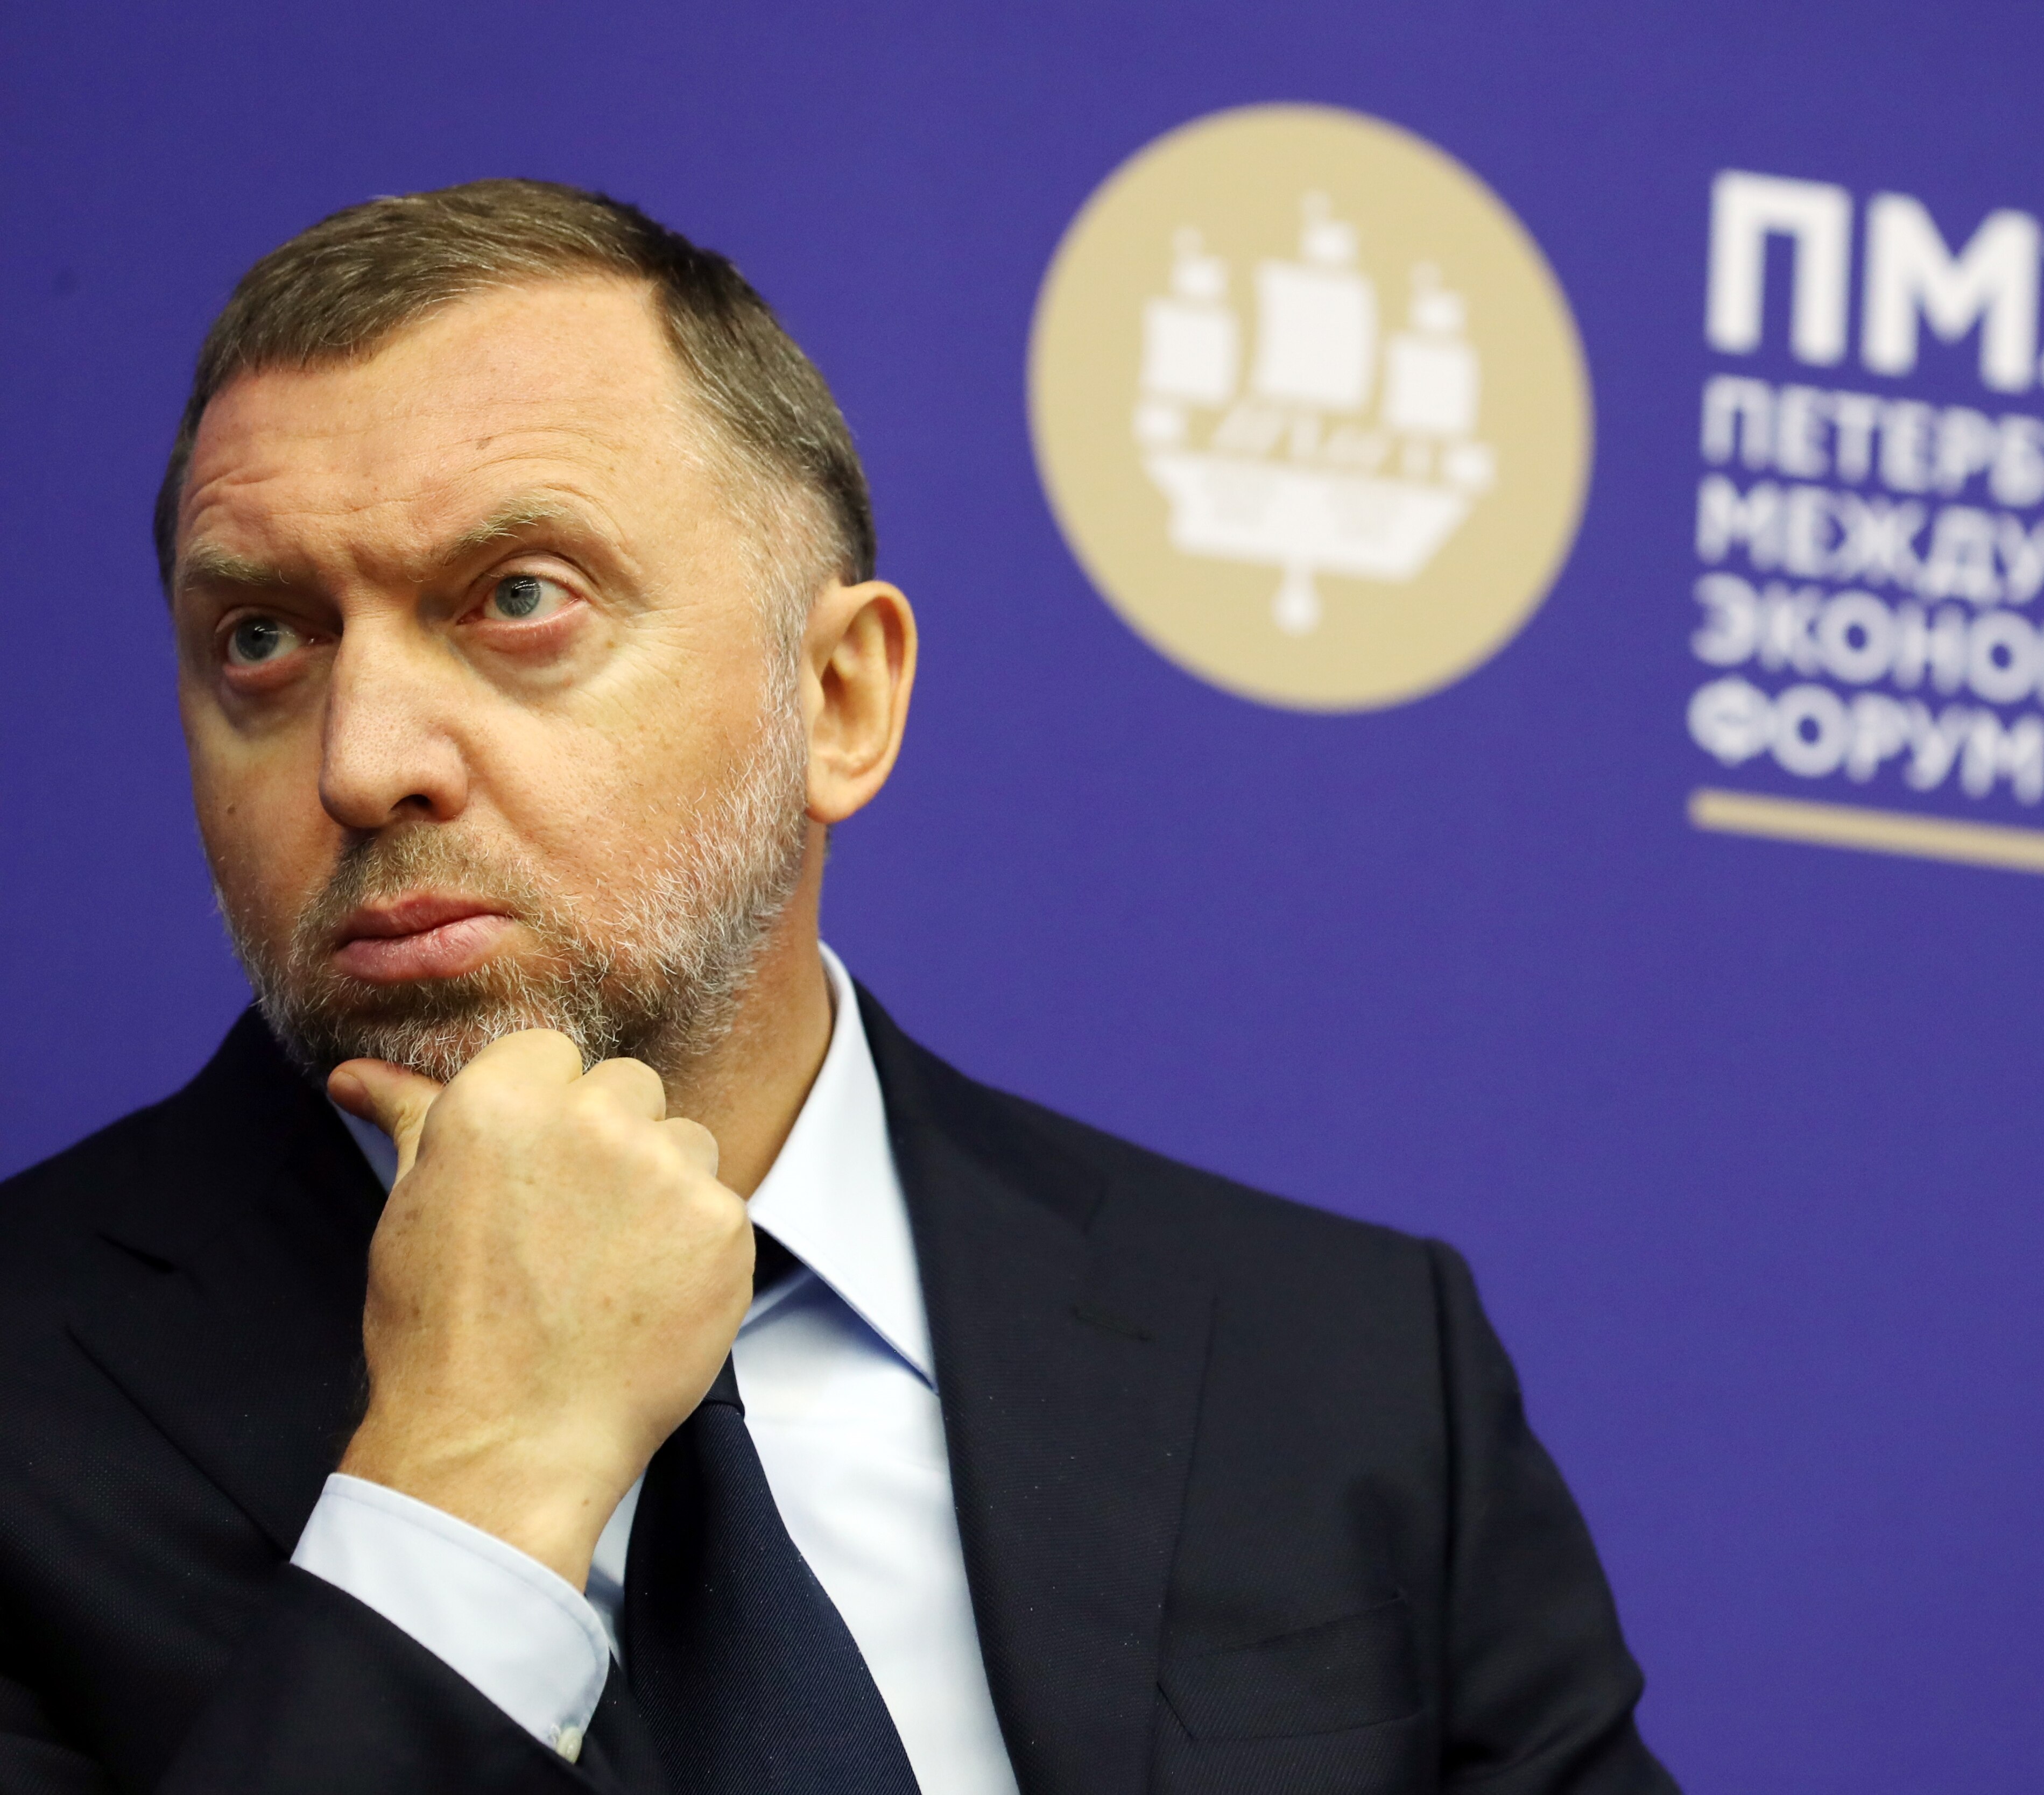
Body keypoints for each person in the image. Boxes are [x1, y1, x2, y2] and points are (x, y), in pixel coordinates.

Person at [0, 180, 1673, 1795]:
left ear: (841, 697)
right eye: (263, 639)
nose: (363, 761)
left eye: (518, 600)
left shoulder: (1344, 1368)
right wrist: (467, 1488)